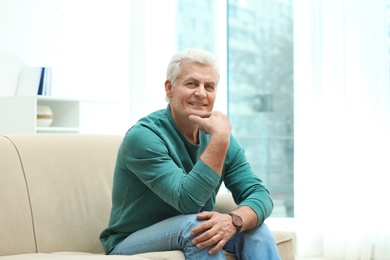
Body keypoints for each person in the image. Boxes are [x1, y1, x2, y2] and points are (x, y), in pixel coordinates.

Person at [100, 48, 280, 259]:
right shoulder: (144, 137)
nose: (201, 93)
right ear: (170, 88)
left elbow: (260, 194)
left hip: (186, 228)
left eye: (209, 86)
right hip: (129, 242)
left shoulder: (220, 137)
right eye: (192, 83)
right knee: (199, 230)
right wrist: (219, 140)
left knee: (256, 232)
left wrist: (234, 220)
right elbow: (188, 202)